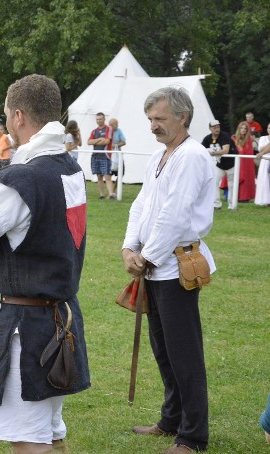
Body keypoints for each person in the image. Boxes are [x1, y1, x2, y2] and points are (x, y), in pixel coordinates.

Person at [0, 74, 90, 454]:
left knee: (31, 441)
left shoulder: (23, 179)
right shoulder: (69, 167)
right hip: (58, 319)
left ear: (18, 116)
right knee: (50, 432)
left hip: (27, 329)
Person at [122, 87, 216, 453]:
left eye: (160, 119)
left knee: (184, 353)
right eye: (150, 120)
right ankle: (171, 419)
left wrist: (148, 256)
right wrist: (130, 246)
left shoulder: (192, 156)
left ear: (183, 117)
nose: (153, 126)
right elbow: (143, 205)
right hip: (155, 266)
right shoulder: (161, 156)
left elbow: (175, 215)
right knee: (163, 349)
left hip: (176, 267)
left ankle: (193, 436)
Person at [200, 119, 237, 209]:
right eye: (214, 127)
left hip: (231, 163)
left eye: (218, 127)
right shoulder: (208, 138)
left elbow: (225, 150)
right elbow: (201, 149)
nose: (217, 129)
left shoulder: (224, 136)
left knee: (232, 184)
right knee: (214, 181)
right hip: (220, 165)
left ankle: (232, 205)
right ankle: (216, 204)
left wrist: (212, 153)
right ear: (210, 128)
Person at [220, 121, 256, 202]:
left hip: (246, 164)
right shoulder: (233, 138)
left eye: (245, 129)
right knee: (232, 177)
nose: (243, 130)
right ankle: (231, 196)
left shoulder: (249, 140)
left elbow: (249, 154)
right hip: (234, 163)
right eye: (241, 128)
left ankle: (244, 196)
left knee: (245, 177)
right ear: (239, 129)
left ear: (247, 130)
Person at [87, 112, 115, 199]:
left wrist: (94, 141)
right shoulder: (94, 131)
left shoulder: (108, 129)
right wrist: (99, 139)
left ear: (104, 119)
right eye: (97, 119)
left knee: (107, 176)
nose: (98, 121)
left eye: (100, 119)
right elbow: (89, 142)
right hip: (95, 156)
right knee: (99, 176)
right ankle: (102, 195)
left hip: (105, 156)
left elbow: (107, 141)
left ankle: (111, 194)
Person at [255, 133, 270, 206]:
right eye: (269, 128)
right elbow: (260, 149)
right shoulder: (263, 138)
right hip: (265, 160)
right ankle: (265, 200)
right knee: (264, 181)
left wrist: (263, 151)